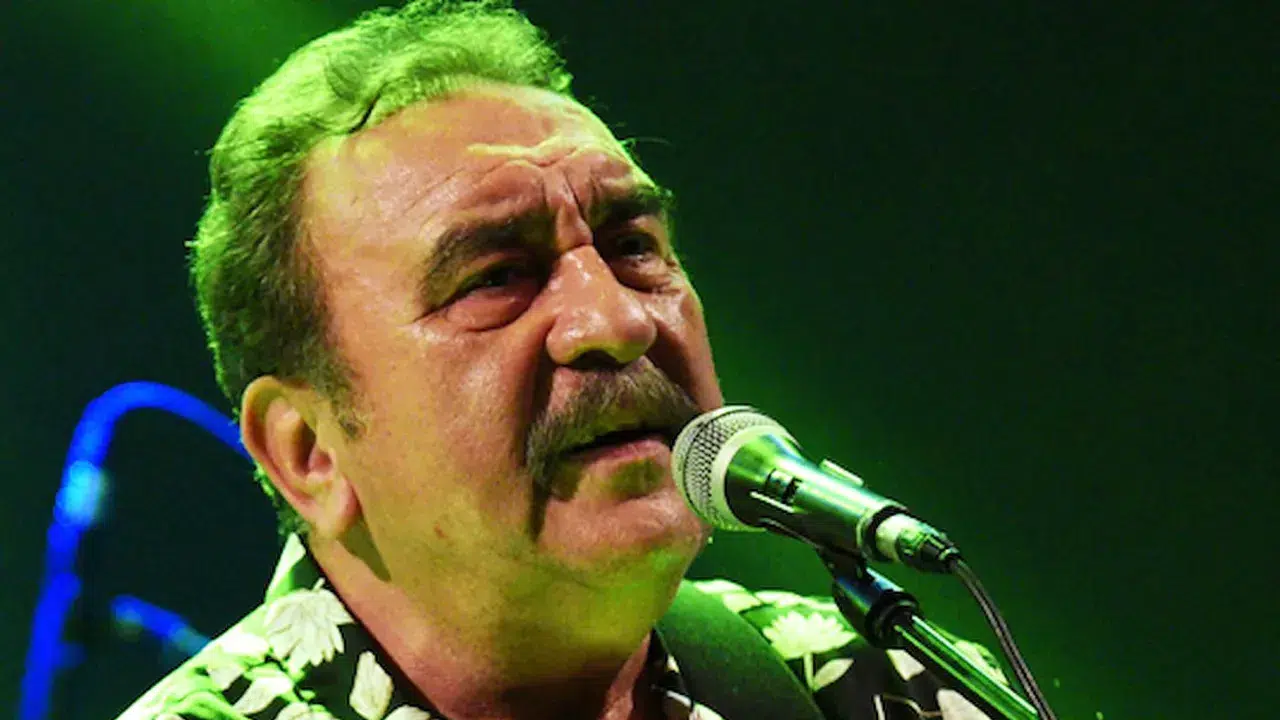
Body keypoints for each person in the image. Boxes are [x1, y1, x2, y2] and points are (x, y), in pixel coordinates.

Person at [117, 2, 1003, 718]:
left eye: (632, 246)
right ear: (309, 449)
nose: (615, 320)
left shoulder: (879, 686)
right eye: (496, 277)